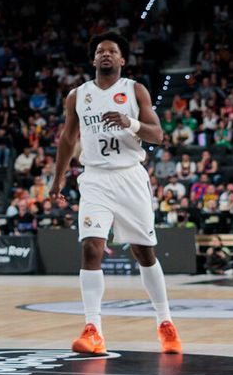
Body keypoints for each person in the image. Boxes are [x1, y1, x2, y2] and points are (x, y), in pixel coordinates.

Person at [48, 33, 182, 357]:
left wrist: (130, 122)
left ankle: (165, 322)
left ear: (122, 60)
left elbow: (159, 135)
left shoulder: (134, 90)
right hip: (94, 178)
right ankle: (92, 329)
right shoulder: (77, 95)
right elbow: (68, 140)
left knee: (144, 252)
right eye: (100, 51)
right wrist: (58, 180)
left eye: (112, 51)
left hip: (130, 176)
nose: (105, 55)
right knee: (91, 248)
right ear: (93, 60)